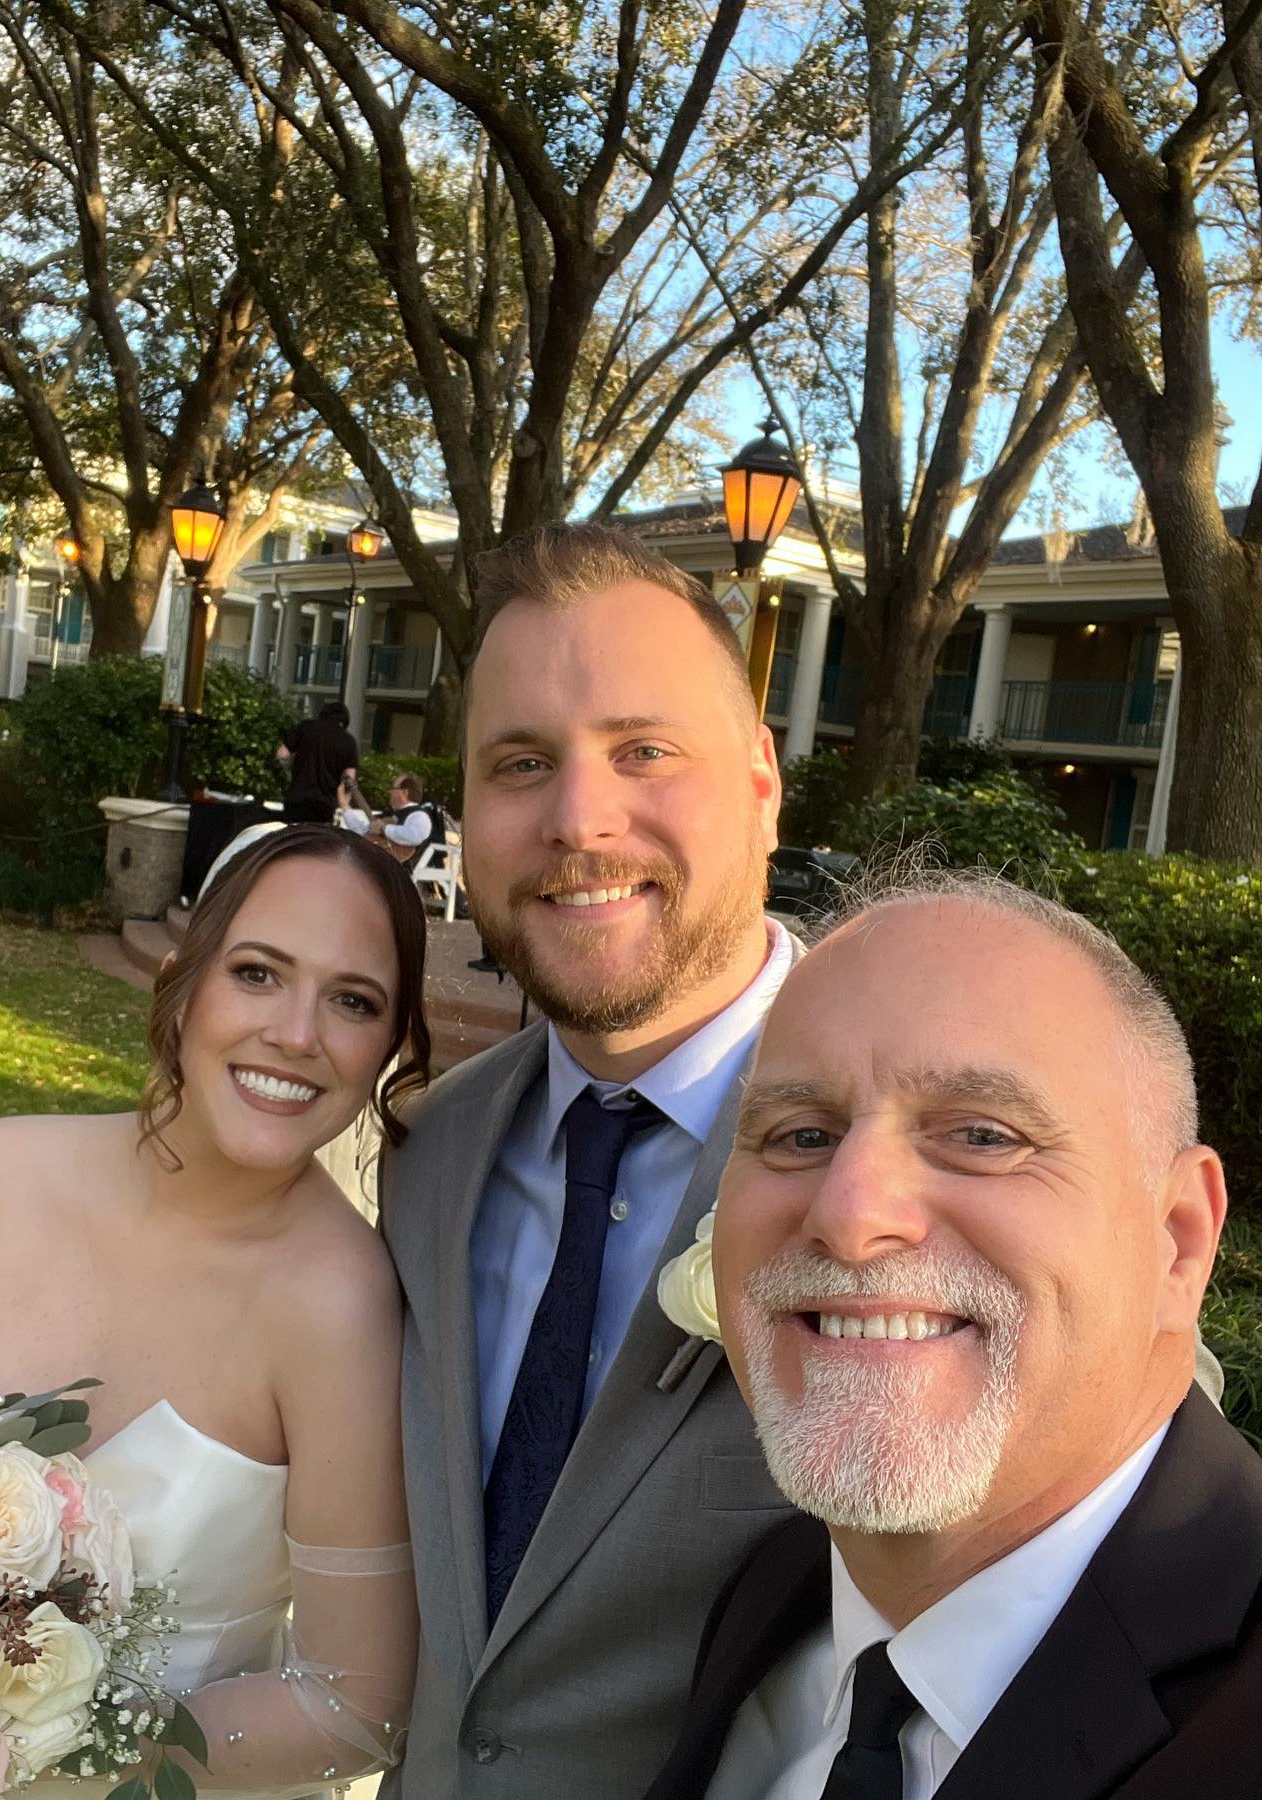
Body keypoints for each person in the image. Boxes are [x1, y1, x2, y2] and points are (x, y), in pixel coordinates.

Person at [644, 871, 1262, 1800]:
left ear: (1177, 1240)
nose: (850, 1215)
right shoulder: (773, 1598)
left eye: (981, 1134)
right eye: (800, 1136)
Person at [0, 825, 430, 1799]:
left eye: (353, 1001)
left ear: (388, 1043)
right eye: (257, 973)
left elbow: (357, 1703)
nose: (296, 1032)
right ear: (183, 980)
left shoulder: (343, 1312)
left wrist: (23, 1743)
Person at [378, 522, 804, 1799]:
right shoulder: (427, 1153)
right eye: (520, 764)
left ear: (764, 780)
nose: (578, 819)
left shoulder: (930, 1155)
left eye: (644, 752)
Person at [276, 699, 359, 824]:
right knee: (317, 841)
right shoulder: (349, 741)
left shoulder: (306, 727)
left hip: (297, 798)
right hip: (325, 805)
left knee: (293, 838)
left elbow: (282, 754)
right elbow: (348, 777)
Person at [370, 772, 445, 870]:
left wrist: (384, 829)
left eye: (394, 788)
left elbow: (413, 835)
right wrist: (346, 807)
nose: (390, 792)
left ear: (405, 792)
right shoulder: (398, 814)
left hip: (407, 870)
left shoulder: (419, 815)